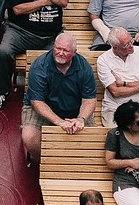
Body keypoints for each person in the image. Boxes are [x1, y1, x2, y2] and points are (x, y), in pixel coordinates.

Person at [22, 33, 97, 163]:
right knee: (29, 138)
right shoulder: (40, 66)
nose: (60, 53)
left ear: (74, 52)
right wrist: (60, 122)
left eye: (66, 50)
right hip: (43, 107)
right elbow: (37, 102)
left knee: (93, 141)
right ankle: (46, 161)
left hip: (74, 108)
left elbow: (89, 99)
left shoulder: (84, 67)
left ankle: (73, 163)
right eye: (58, 48)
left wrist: (81, 119)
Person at [97, 28, 139, 127]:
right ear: (115, 47)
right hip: (115, 107)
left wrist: (123, 84)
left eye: (131, 41)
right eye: (126, 45)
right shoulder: (103, 60)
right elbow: (115, 92)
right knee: (115, 136)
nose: (131, 45)